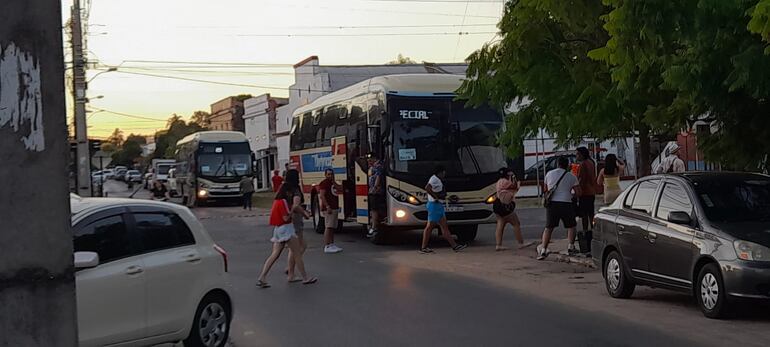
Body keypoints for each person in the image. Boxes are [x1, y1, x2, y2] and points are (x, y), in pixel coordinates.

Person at [256, 181, 317, 288]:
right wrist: (292, 211)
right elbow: (286, 217)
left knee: (275, 254)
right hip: (287, 228)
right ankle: (305, 277)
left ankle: (262, 276)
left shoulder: (276, 201)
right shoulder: (283, 202)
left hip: (278, 229)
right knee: (297, 254)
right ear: (286, 192)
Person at [537, 156, 580, 260]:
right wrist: (571, 195)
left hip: (552, 204)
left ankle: (543, 249)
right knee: (571, 226)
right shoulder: (571, 176)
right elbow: (578, 192)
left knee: (549, 227)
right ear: (568, 165)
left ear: (557, 164)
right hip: (566, 203)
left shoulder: (549, 174)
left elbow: (546, 189)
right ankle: (570, 246)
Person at [420, 166, 467, 253]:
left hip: (438, 206)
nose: (444, 174)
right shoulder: (434, 179)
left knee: (444, 227)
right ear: (440, 172)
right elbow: (427, 188)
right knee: (430, 227)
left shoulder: (436, 179)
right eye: (444, 172)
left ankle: (455, 246)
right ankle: (424, 247)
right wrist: (436, 197)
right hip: (434, 206)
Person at [493, 167, 534, 251]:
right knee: (516, 223)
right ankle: (520, 243)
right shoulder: (506, 182)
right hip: (506, 207)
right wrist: (517, 181)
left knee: (500, 224)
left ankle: (498, 244)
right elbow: (515, 187)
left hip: (498, 206)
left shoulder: (498, 182)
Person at [283, 170, 311, 279]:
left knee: (301, 245)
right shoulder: (295, 190)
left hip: (289, 219)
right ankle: (291, 272)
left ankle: (290, 268)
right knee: (297, 247)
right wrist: (304, 213)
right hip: (296, 219)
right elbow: (295, 205)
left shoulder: (284, 189)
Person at [318, 168, 343, 254]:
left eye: (331, 174)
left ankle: (332, 244)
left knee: (332, 227)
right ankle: (327, 245)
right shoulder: (324, 183)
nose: (330, 176)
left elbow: (340, 189)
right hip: (329, 208)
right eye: (328, 174)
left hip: (335, 207)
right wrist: (327, 206)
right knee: (328, 227)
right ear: (325, 175)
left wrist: (334, 182)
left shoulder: (332, 183)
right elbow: (322, 196)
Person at [576, 147, 597, 234]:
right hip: (592, 191)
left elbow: (582, 179)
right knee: (591, 214)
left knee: (584, 215)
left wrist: (578, 191)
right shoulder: (591, 162)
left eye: (577, 154)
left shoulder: (583, 164)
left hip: (585, 192)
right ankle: (593, 229)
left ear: (581, 154)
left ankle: (585, 232)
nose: (576, 156)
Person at [367, 156, 385, 238]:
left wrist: (375, 187)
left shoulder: (378, 167)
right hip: (373, 191)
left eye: (370, 160)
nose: (368, 161)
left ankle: (374, 226)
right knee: (373, 209)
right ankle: (374, 225)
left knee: (374, 210)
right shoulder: (375, 166)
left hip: (375, 192)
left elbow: (378, 177)